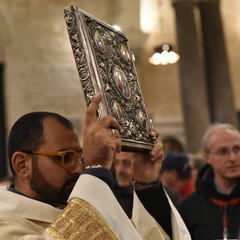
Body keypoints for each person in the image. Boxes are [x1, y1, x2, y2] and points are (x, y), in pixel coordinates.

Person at [0, 94, 191, 240]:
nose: (78, 169)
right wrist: (97, 167)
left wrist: (146, 184)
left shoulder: (80, 205)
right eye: (65, 157)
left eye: (80, 157)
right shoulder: (6, 224)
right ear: (22, 165)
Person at [179, 123, 240, 240]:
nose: (232, 158)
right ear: (207, 157)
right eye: (223, 152)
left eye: (237, 149)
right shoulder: (189, 207)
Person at [113, 151, 134, 218]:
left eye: (127, 163)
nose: (120, 170)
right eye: (117, 163)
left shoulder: (153, 198)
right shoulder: (108, 196)